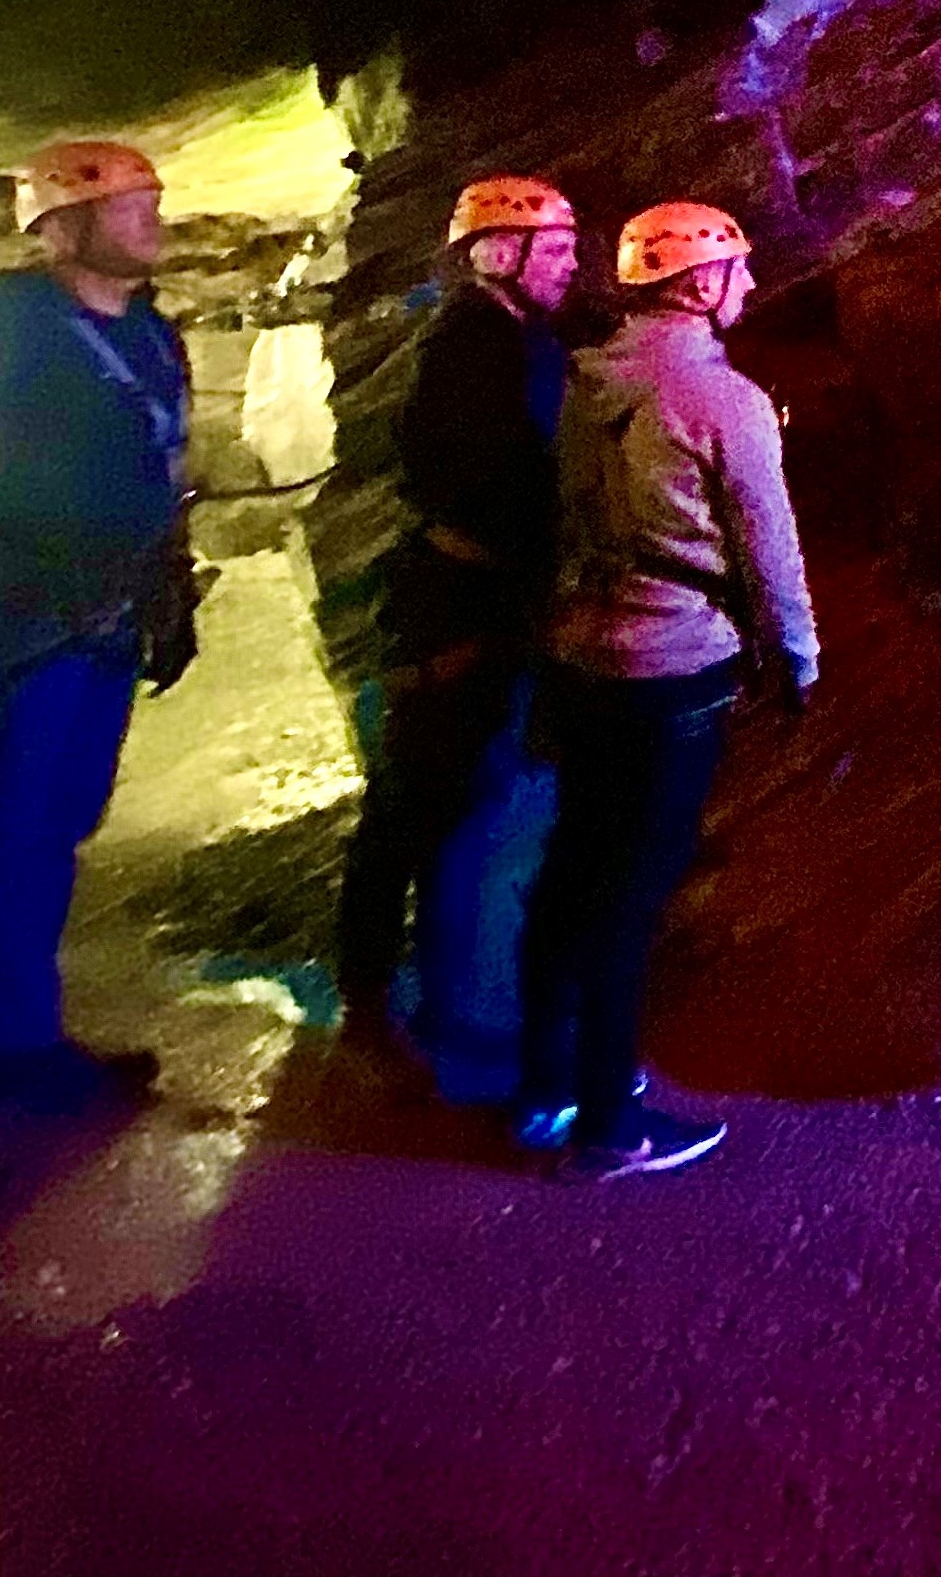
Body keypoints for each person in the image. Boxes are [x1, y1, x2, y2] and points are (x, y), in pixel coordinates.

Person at [0, 140, 205, 1209]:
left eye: (151, 199)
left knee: (52, 837)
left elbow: (160, 477)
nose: (151, 218)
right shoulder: (2, 345)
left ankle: (20, 1041)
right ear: (59, 226)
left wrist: (170, 595)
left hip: (102, 631)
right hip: (24, 638)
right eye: (128, 204)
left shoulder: (150, 334)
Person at [516, 201, 817, 1180]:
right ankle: (609, 1122)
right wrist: (798, 653)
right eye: (736, 269)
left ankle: (547, 1084)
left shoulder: (583, 380)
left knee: (572, 867)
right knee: (631, 892)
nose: (750, 285)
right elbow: (767, 544)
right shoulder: (722, 399)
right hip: (672, 663)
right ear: (696, 283)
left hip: (581, 651)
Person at [333, 176, 575, 1072]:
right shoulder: (472, 348)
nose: (572, 266)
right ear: (498, 253)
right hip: (453, 604)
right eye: (554, 250)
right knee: (415, 804)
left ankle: (433, 997)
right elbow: (498, 482)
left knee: (446, 801)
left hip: (475, 595)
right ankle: (376, 1007)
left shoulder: (513, 340)